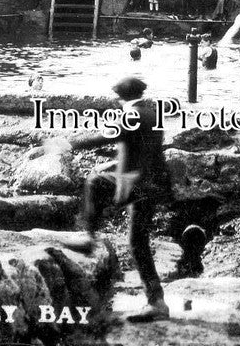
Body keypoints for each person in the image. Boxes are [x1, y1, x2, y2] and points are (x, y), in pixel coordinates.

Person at [60, 76, 173, 323]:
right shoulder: (152, 112)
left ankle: (89, 238)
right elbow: (141, 149)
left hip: (139, 183)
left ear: (120, 99)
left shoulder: (131, 115)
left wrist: (67, 143)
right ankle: (157, 303)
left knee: (94, 182)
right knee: (137, 242)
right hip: (152, 184)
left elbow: (106, 137)